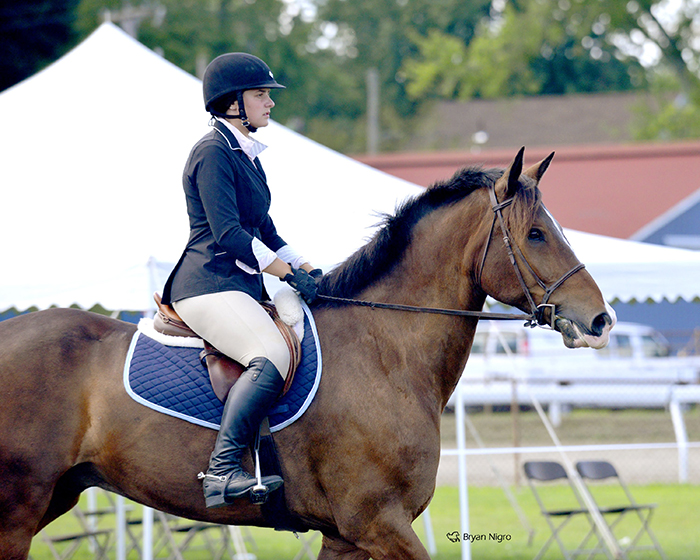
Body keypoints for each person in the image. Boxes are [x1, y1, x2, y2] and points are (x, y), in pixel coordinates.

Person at [161, 52, 321, 508]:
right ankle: (222, 471)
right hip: (207, 283)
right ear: (232, 102)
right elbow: (230, 235)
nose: (270, 103)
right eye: (260, 94)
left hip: (236, 286)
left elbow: (266, 231)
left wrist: (308, 269)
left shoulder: (246, 157)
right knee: (270, 352)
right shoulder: (212, 153)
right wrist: (286, 273)